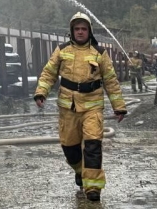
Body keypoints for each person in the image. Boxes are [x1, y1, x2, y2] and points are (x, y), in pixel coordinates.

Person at [34, 12, 127, 202]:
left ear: (89, 31)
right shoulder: (61, 50)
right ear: (72, 31)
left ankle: (93, 188)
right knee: (70, 148)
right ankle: (80, 171)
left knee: (93, 145)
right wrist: (41, 92)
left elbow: (110, 81)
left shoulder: (99, 54)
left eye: (84, 29)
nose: (80, 32)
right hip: (68, 108)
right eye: (77, 29)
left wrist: (119, 106)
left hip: (93, 107)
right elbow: (48, 73)